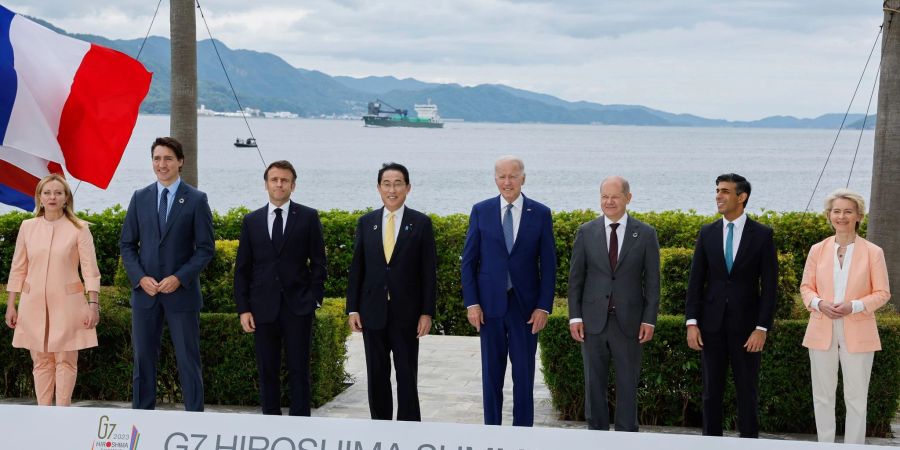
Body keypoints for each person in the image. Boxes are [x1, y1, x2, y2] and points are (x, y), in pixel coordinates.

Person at [120, 136, 215, 411]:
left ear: (180, 162)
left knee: (188, 360)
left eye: (168, 159)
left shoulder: (196, 200)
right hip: (145, 294)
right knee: (143, 361)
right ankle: (142, 418)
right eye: (157, 159)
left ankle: (194, 420)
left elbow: (205, 249)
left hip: (181, 295)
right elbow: (127, 244)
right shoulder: (140, 198)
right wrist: (139, 278)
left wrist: (179, 277)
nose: (162, 164)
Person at [461, 155, 557, 427]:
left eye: (512, 176)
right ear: (495, 179)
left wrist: (544, 306)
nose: (507, 182)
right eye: (502, 176)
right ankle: (492, 433)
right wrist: (472, 304)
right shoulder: (481, 210)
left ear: (523, 178)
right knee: (491, 376)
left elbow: (549, 265)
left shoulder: (540, 213)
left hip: (526, 308)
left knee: (524, 377)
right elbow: (469, 261)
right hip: (488, 308)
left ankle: (522, 435)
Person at [684, 173, 777, 438]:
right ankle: (710, 442)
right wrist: (692, 322)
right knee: (711, 392)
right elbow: (695, 282)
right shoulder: (707, 232)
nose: (718, 196)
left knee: (747, 391)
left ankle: (749, 442)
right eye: (717, 191)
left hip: (747, 329)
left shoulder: (762, 235)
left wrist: (762, 328)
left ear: (742, 197)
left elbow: (770, 287)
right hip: (710, 326)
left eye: (725, 191)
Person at [233, 160, 327, 416]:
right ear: (266, 184)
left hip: (298, 307)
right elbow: (242, 269)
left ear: (293, 185)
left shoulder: (308, 217)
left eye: (284, 180)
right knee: (267, 371)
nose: (279, 184)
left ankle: (300, 426)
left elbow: (319, 262)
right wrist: (243, 309)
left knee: (300, 371)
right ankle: (271, 425)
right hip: (262, 309)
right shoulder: (251, 221)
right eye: (274, 179)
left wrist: (314, 299)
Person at [567, 176, 660, 431]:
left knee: (628, 385)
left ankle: (626, 437)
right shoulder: (586, 232)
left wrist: (649, 319)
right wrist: (575, 317)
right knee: (593, 385)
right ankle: (596, 437)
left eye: (614, 196)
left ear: (628, 198)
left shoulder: (646, 233)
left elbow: (653, 283)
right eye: (604, 196)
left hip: (629, 324)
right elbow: (576, 278)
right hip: (592, 323)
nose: (609, 202)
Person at [346, 162, 437, 421]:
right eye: (386, 184)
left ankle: (409, 429)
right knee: (376, 375)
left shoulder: (420, 223)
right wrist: (352, 307)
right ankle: (381, 428)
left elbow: (429, 273)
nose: (392, 189)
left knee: (407, 375)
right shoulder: (367, 223)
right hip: (372, 312)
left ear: (408, 187)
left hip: (407, 314)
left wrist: (426, 313)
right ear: (378, 188)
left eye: (398, 183)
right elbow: (357, 269)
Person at [800, 189, 890, 444]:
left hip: (859, 332)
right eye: (836, 211)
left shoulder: (874, 252)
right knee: (822, 396)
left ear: (859, 216)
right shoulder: (817, 250)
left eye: (848, 211)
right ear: (829, 216)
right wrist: (818, 303)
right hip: (821, 330)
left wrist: (855, 305)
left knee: (857, 397)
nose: (841, 216)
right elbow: (806, 287)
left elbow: (883, 293)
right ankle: (825, 447)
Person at [4, 174, 101, 406]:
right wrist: (11, 304)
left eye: (58, 193)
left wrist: (93, 305)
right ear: (39, 197)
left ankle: (62, 412)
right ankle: (43, 413)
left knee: (66, 361)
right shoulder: (27, 227)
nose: (52, 197)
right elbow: (18, 267)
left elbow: (90, 271)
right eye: (47, 193)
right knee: (40, 362)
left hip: (69, 305)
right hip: (32, 304)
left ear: (66, 198)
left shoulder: (79, 228)